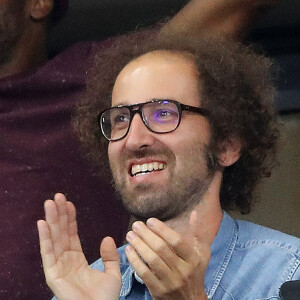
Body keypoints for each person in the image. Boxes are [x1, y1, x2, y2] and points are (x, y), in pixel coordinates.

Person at [0, 0, 281, 298]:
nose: (134, 139)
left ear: (227, 144)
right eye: (120, 119)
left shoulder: (287, 274)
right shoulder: (88, 288)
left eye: (163, 113)